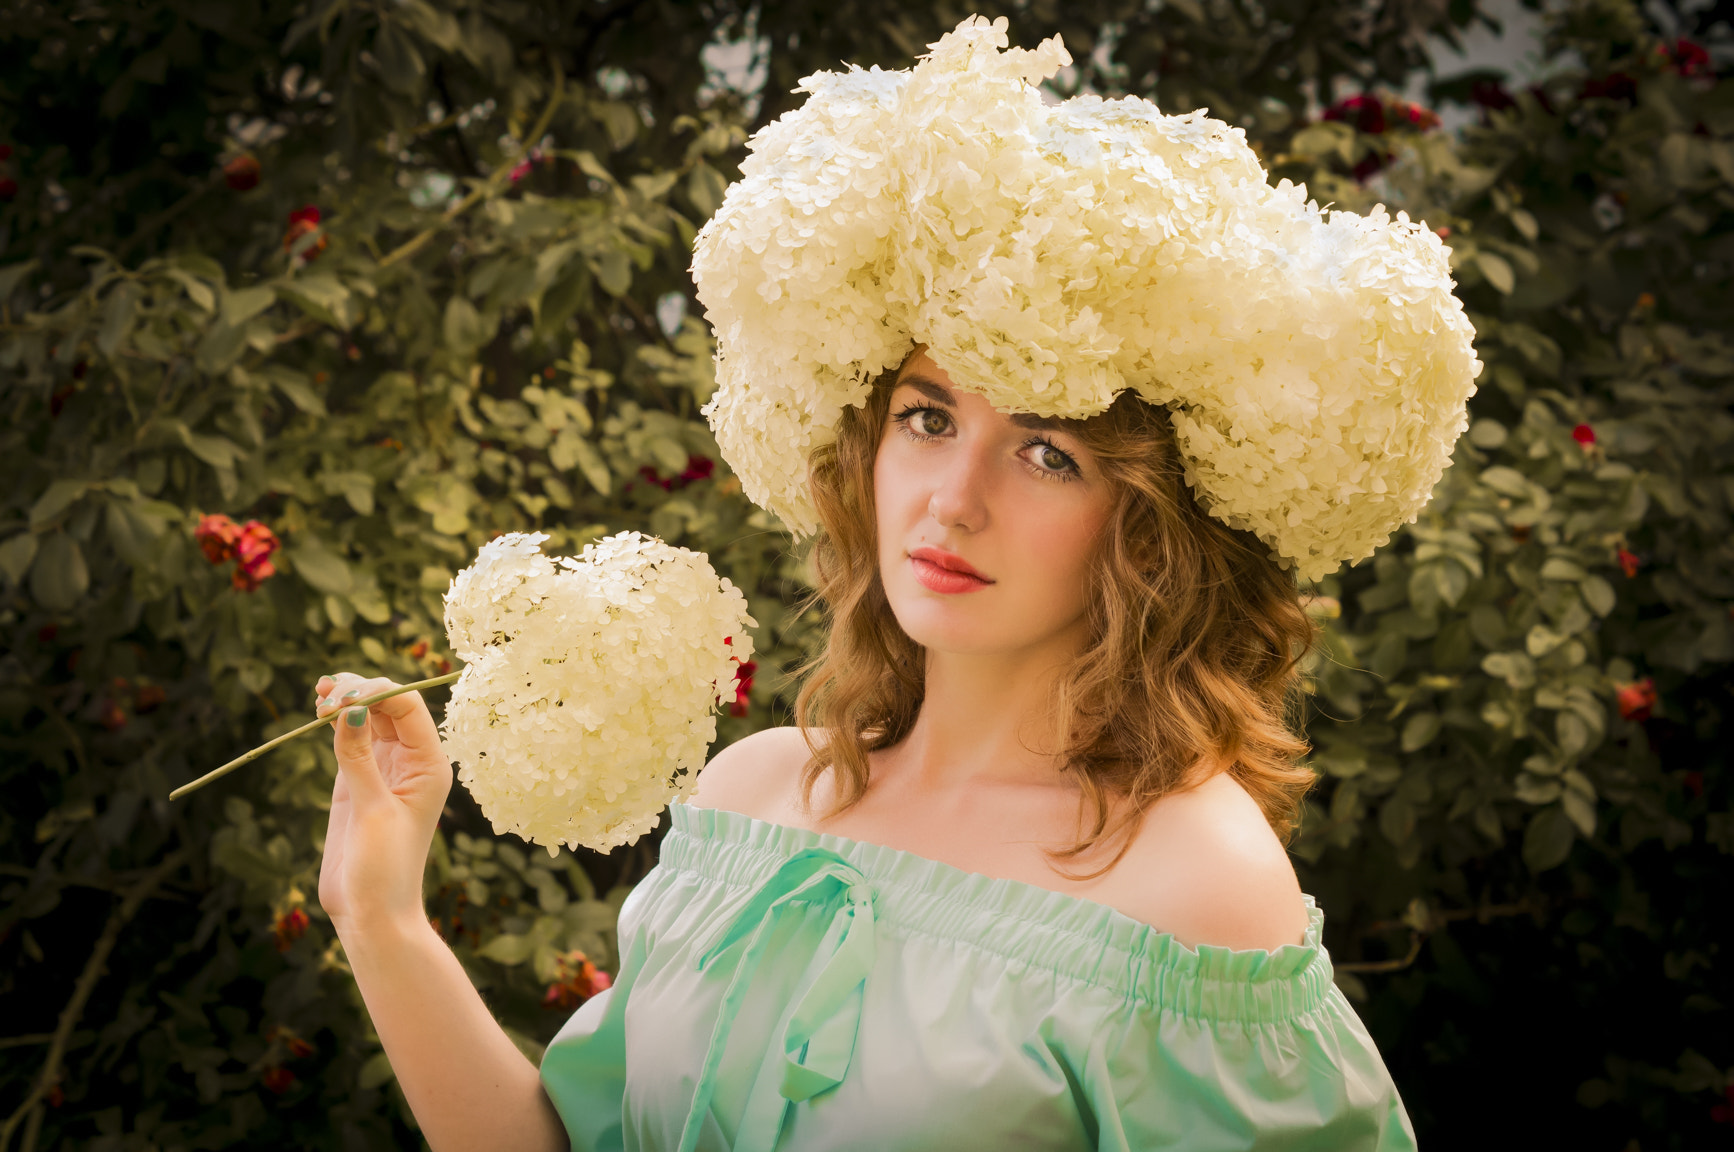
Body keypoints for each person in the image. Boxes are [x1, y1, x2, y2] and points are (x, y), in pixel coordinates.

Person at [313, 14, 1479, 1151]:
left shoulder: (1195, 886)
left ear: (1151, 525)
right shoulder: (753, 801)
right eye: (926, 417)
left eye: (1046, 451)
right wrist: (383, 919)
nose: (952, 498)